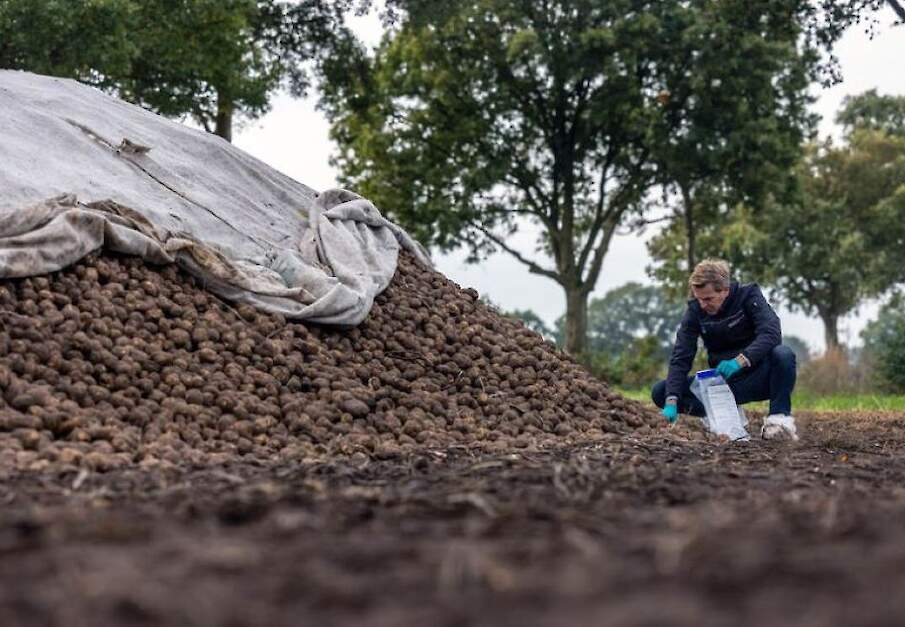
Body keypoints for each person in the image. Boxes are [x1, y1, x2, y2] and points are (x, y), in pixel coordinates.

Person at [650, 259, 798, 440]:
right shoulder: (695, 312)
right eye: (699, 299)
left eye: (708, 299)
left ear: (725, 290)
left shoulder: (748, 296)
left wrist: (740, 361)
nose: (703, 305)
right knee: (661, 391)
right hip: (724, 383)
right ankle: (725, 415)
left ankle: (779, 421)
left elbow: (771, 333)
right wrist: (672, 399)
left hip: (760, 377)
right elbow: (681, 356)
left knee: (783, 354)